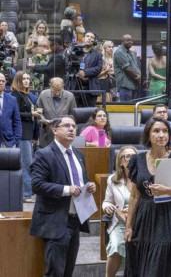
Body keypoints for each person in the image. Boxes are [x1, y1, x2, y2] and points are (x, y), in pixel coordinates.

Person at [30, 115, 96, 277]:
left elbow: (81, 180)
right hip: (56, 221)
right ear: (54, 130)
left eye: (74, 126)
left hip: (75, 220)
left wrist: (89, 186)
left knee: (68, 271)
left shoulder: (79, 155)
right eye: (66, 126)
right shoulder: (43, 154)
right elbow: (37, 185)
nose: (72, 129)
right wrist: (67, 189)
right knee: (55, 273)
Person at [124, 117, 171, 276]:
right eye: (156, 131)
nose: (161, 135)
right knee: (143, 266)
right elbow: (134, 197)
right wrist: (128, 226)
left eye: (165, 131)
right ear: (148, 135)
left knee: (159, 267)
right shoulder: (138, 160)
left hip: (168, 218)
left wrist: (167, 190)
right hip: (144, 218)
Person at [102, 145, 138, 277]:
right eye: (127, 156)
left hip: (140, 222)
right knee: (116, 246)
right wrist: (107, 207)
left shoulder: (143, 178)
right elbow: (107, 201)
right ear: (121, 162)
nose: (130, 159)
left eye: (133, 156)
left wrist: (136, 208)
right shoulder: (113, 180)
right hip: (120, 223)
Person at [11, 71, 43, 203]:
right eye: (23, 78)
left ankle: (27, 192)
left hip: (29, 133)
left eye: (28, 78)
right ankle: (26, 194)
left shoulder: (28, 95)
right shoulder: (15, 95)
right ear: (18, 80)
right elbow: (16, 114)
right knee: (26, 163)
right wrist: (32, 114)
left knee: (28, 163)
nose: (26, 81)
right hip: (22, 133)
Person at [64, 31, 103, 107]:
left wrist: (85, 72)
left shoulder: (98, 55)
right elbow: (67, 66)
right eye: (88, 36)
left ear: (94, 41)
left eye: (92, 37)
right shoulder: (74, 52)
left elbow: (99, 68)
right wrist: (78, 73)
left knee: (89, 111)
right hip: (74, 85)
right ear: (83, 38)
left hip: (90, 86)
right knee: (74, 109)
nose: (89, 38)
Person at [36, 77, 77, 147]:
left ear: (63, 87)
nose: (57, 93)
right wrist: (43, 120)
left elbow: (73, 115)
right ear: (50, 86)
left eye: (59, 90)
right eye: (55, 90)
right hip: (47, 133)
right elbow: (38, 112)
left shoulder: (70, 96)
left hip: (64, 134)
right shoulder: (43, 95)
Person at [114, 34, 141, 102]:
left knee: (133, 108)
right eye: (128, 40)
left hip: (133, 84)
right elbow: (127, 69)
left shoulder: (130, 52)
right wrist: (137, 77)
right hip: (125, 85)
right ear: (122, 41)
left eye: (131, 40)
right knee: (126, 107)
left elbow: (135, 66)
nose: (130, 42)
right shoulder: (120, 52)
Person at [25, 19, 51, 90]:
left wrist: (47, 51)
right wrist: (33, 46)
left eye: (43, 28)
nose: (41, 29)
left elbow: (50, 49)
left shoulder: (47, 38)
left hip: (44, 59)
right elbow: (27, 49)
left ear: (45, 29)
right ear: (36, 28)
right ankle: (36, 94)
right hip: (35, 58)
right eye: (40, 27)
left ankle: (43, 93)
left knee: (43, 77)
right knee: (35, 77)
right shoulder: (32, 37)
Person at [0, 72, 21, 147]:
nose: (1, 83)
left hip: (8, 142)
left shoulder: (12, 99)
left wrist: (16, 140)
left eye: (3, 81)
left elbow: (17, 121)